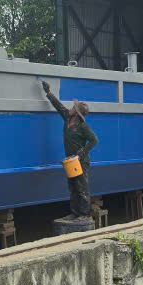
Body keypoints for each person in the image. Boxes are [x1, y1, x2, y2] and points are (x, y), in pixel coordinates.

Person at [41, 80, 98, 222]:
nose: (71, 108)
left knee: (82, 188)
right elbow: (58, 106)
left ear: (77, 113)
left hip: (81, 162)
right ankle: (75, 213)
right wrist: (48, 93)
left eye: (74, 108)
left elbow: (94, 140)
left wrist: (82, 152)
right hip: (70, 160)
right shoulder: (67, 118)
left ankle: (84, 214)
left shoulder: (83, 127)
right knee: (72, 187)